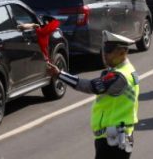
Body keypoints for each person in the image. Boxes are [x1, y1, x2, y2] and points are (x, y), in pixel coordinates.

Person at [47, 31, 139, 159]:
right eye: (105, 49)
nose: (105, 54)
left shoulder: (120, 77)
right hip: (120, 136)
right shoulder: (127, 70)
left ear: (122, 52)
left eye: (109, 51)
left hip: (113, 140)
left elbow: (90, 86)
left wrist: (60, 75)